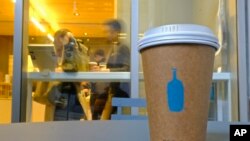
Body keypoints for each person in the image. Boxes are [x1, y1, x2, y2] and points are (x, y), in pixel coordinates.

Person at [92, 19, 130, 119]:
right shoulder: (113, 47)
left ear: (116, 32)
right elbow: (115, 66)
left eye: (108, 31)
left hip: (120, 91)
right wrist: (103, 68)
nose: (106, 34)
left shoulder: (123, 47)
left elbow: (126, 69)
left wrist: (107, 70)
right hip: (112, 90)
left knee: (104, 115)